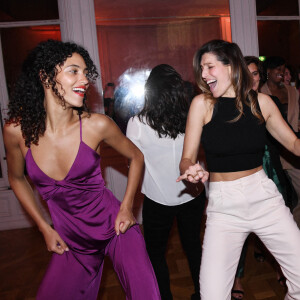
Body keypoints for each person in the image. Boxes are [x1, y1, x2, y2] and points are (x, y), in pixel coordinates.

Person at [3, 39, 161, 300]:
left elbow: (137, 156)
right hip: (71, 240)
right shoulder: (15, 131)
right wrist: (44, 227)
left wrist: (127, 207)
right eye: (74, 71)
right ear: (45, 76)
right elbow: (17, 179)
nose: (85, 79)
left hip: (116, 227)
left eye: (86, 73)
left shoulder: (96, 125)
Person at [177, 39, 300, 299]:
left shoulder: (262, 103)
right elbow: (186, 158)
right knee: (212, 295)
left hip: (264, 197)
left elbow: (294, 144)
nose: (203, 74)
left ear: (231, 66)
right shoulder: (202, 104)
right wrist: (190, 169)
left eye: (209, 66)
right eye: (201, 69)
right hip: (224, 207)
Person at [126, 64, 207, 300]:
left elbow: (133, 164)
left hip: (157, 198)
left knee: (156, 253)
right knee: (193, 247)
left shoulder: (137, 123)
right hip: (192, 193)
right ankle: (203, 294)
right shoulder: (191, 118)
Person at [231, 56, 298, 300]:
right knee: (238, 232)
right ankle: (236, 278)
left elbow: (290, 140)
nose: (252, 79)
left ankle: (283, 269)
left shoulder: (268, 102)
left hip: (270, 166)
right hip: (240, 177)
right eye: (247, 74)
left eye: (256, 73)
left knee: (280, 223)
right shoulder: (229, 107)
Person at [261, 56, 300, 228]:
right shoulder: (260, 94)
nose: (282, 72)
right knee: (275, 199)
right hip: (272, 153)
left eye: (283, 69)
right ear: (267, 71)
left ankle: (295, 230)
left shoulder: (293, 92)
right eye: (278, 69)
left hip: (293, 150)